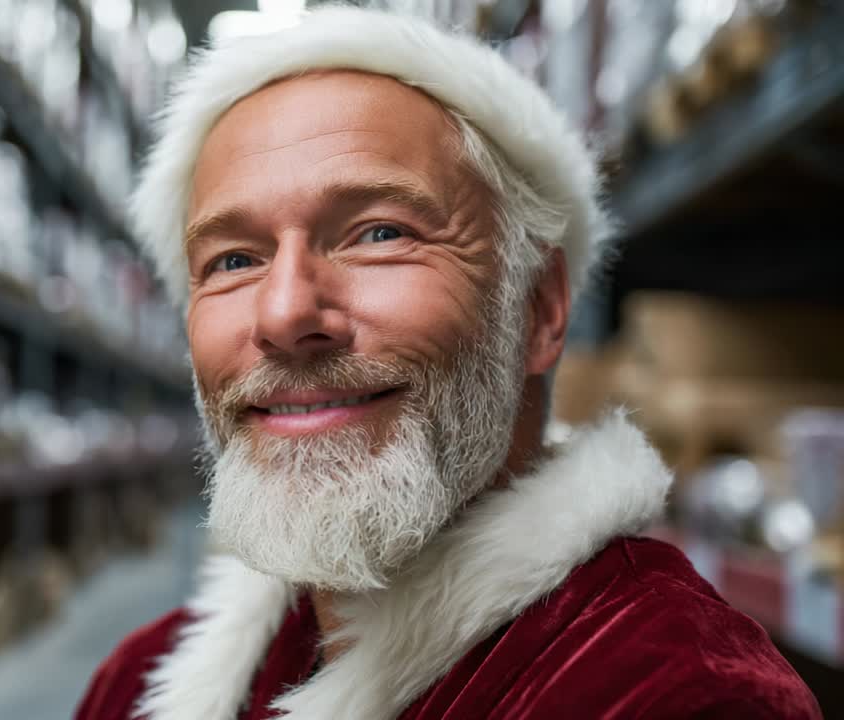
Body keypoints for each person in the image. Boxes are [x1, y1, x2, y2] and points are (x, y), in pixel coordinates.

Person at [77, 6, 820, 719]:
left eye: (378, 233)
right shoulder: (133, 682)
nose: (283, 315)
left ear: (539, 308)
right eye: (234, 259)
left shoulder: (677, 690)